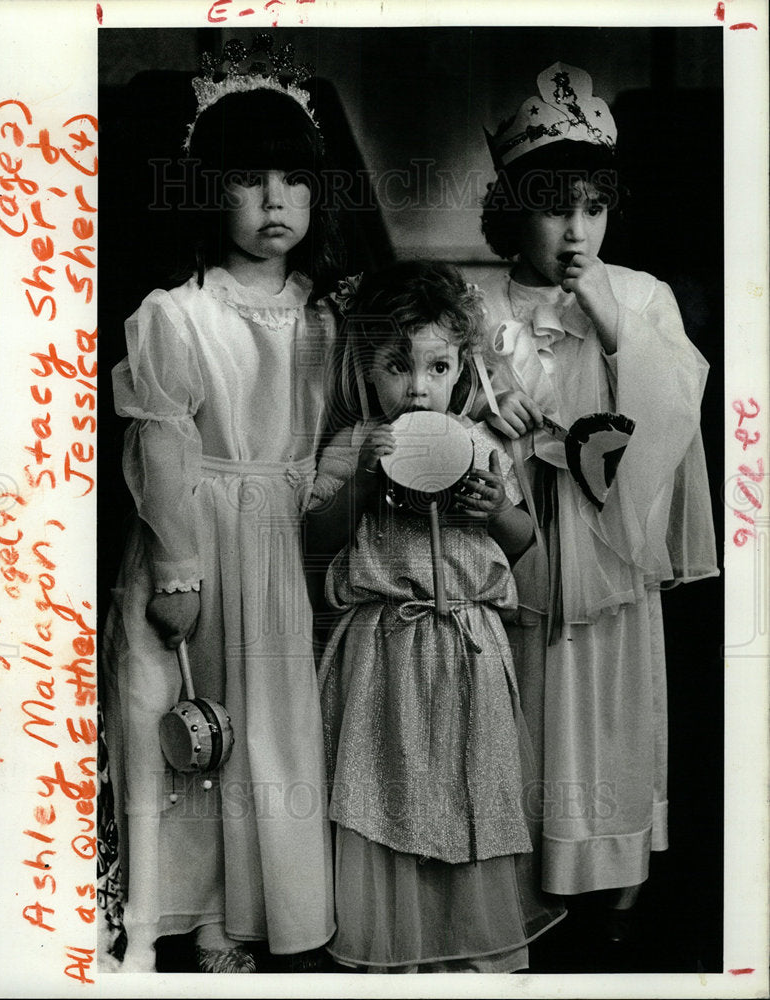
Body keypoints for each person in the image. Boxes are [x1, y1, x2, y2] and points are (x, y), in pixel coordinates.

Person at [101, 40, 343, 973]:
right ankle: (194, 914)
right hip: (201, 537)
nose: (274, 200)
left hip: (290, 542)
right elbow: (161, 445)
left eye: (293, 180)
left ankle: (265, 909)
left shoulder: (328, 313)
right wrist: (177, 567)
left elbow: (331, 439)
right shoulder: (179, 313)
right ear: (211, 192)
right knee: (194, 724)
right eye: (248, 180)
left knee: (276, 728)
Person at [478, 62, 718, 938]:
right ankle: (529, 870)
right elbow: (449, 406)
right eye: (553, 208)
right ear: (514, 209)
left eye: (593, 208)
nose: (575, 231)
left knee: (607, 696)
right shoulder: (479, 303)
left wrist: (602, 308)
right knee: (524, 697)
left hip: (607, 538)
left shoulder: (641, 295)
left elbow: (667, 419)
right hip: (514, 534)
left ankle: (613, 877)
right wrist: (486, 407)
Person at [306, 261, 565, 972]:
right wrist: (357, 483)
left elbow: (524, 545)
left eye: (437, 366)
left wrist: (498, 512)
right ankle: (395, 940)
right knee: (388, 790)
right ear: (368, 368)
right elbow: (319, 538)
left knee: (467, 786)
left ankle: (471, 944)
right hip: (383, 649)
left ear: (461, 370)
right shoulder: (357, 442)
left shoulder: (479, 447)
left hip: (467, 651)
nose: (417, 385)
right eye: (397, 366)